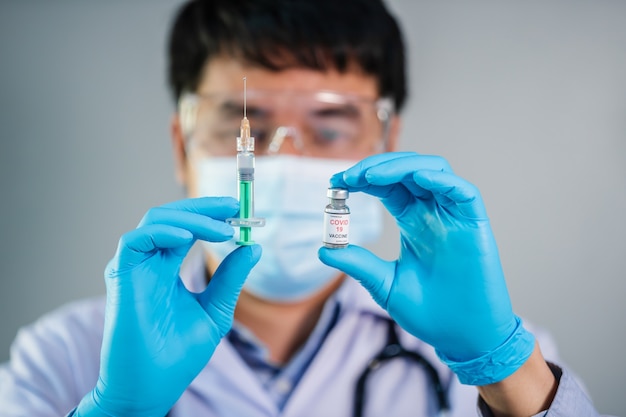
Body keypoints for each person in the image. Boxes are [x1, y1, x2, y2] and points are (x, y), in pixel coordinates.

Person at [0, 1, 610, 416]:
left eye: (331, 126)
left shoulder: (476, 348)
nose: (283, 159)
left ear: (387, 144)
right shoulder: (68, 355)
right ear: (181, 145)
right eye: (252, 126)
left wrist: (503, 367)